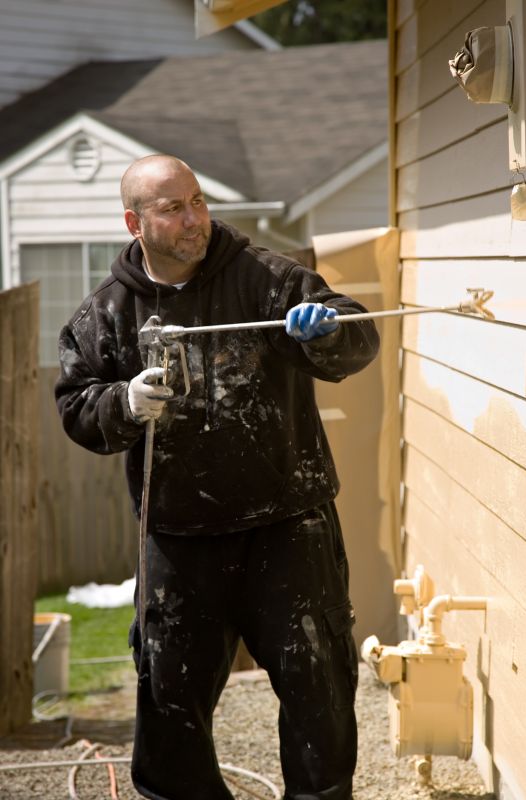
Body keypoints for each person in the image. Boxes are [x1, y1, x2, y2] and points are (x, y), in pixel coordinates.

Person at [55, 154, 380, 800]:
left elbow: (357, 336)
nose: (193, 219)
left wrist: (325, 333)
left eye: (198, 201)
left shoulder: (265, 278)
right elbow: (75, 405)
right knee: (168, 706)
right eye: (172, 208)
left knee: (319, 696)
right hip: (179, 537)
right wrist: (123, 403)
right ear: (134, 222)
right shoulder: (109, 313)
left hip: (288, 526)